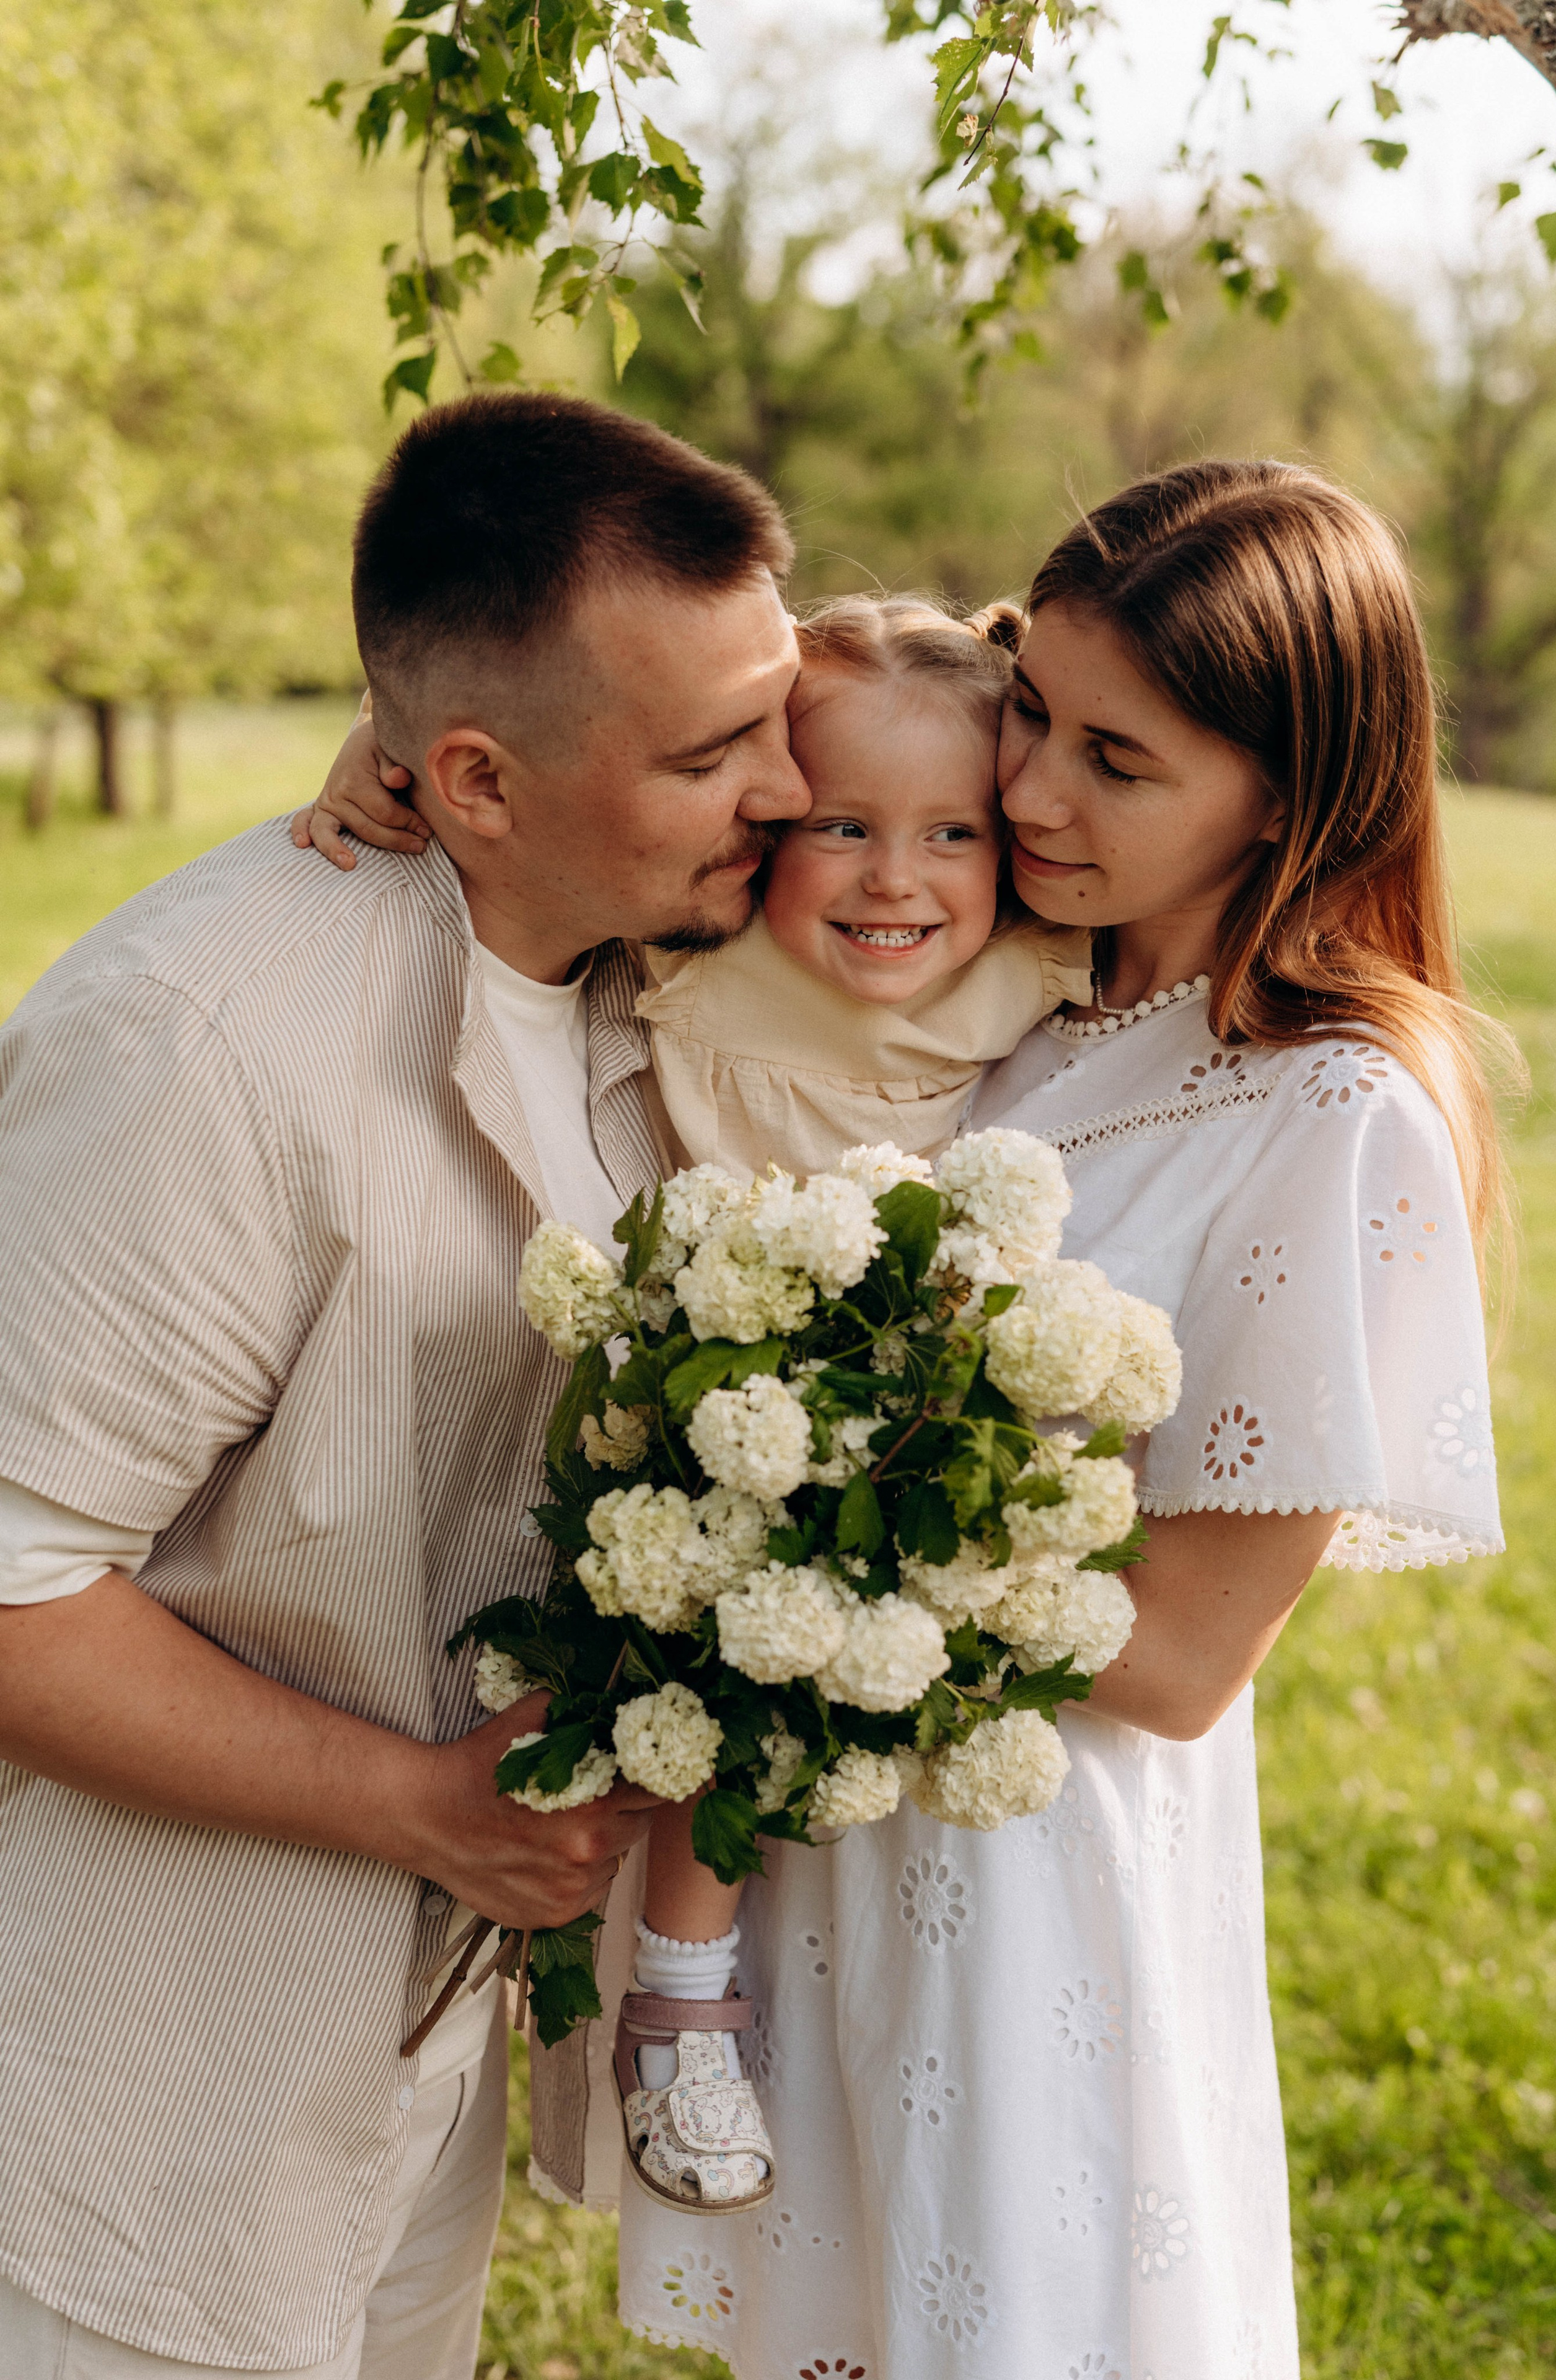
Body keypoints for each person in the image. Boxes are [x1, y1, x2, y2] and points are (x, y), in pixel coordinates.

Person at [608, 462, 1507, 2377]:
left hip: (1036, 1900)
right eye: (1040, 715)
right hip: (852, 1838)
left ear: (1292, 789)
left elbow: (1181, 1655)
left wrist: (797, 1505)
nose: (1029, 796)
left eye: (1119, 759)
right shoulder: (1038, 1004)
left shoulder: (1334, 1117)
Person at [0, 389, 812, 2379]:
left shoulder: (661, 973)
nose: (790, 785)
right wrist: (433, 1810)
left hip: (408, 2067)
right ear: (472, 777)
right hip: (124, 2079)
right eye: (717, 751)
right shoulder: (206, 1050)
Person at [299, 589, 1092, 2214]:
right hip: (689, 1388)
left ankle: (698, 1989)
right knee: (683, 1704)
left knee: (805, 1701)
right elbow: (517, 766)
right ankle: (670, 2005)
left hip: (887, 1410)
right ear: (767, 823)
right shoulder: (694, 956)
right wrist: (361, 754)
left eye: (951, 831)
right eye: (845, 826)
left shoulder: (1028, 969)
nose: (897, 878)